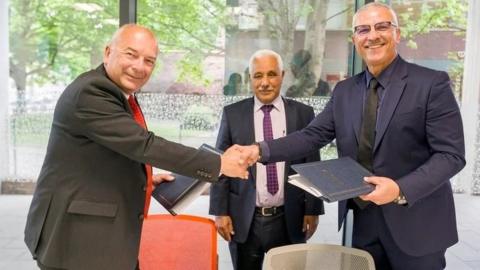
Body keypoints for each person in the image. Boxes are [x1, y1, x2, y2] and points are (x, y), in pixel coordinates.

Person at [238, 3, 465, 269]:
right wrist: (259, 150)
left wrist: (400, 190)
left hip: (417, 224)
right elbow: (312, 135)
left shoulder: (431, 84)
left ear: (398, 34)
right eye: (363, 29)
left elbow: (451, 156)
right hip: (364, 223)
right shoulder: (345, 91)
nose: (372, 36)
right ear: (355, 38)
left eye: (382, 27)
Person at [24, 24, 249, 270]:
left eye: (149, 61)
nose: (140, 66)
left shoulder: (119, 92)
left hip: (102, 241)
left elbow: (111, 149)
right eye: (131, 54)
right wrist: (218, 164)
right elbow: (144, 145)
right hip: (76, 243)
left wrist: (143, 179)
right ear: (108, 52)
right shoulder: (91, 92)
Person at [209, 49, 324, 270]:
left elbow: (312, 163)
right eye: (257, 76)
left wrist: (313, 209)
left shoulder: (303, 114)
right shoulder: (233, 114)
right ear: (250, 78)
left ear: (282, 75)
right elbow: (221, 165)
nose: (265, 83)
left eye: (271, 74)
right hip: (244, 219)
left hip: (289, 217)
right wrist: (220, 211)